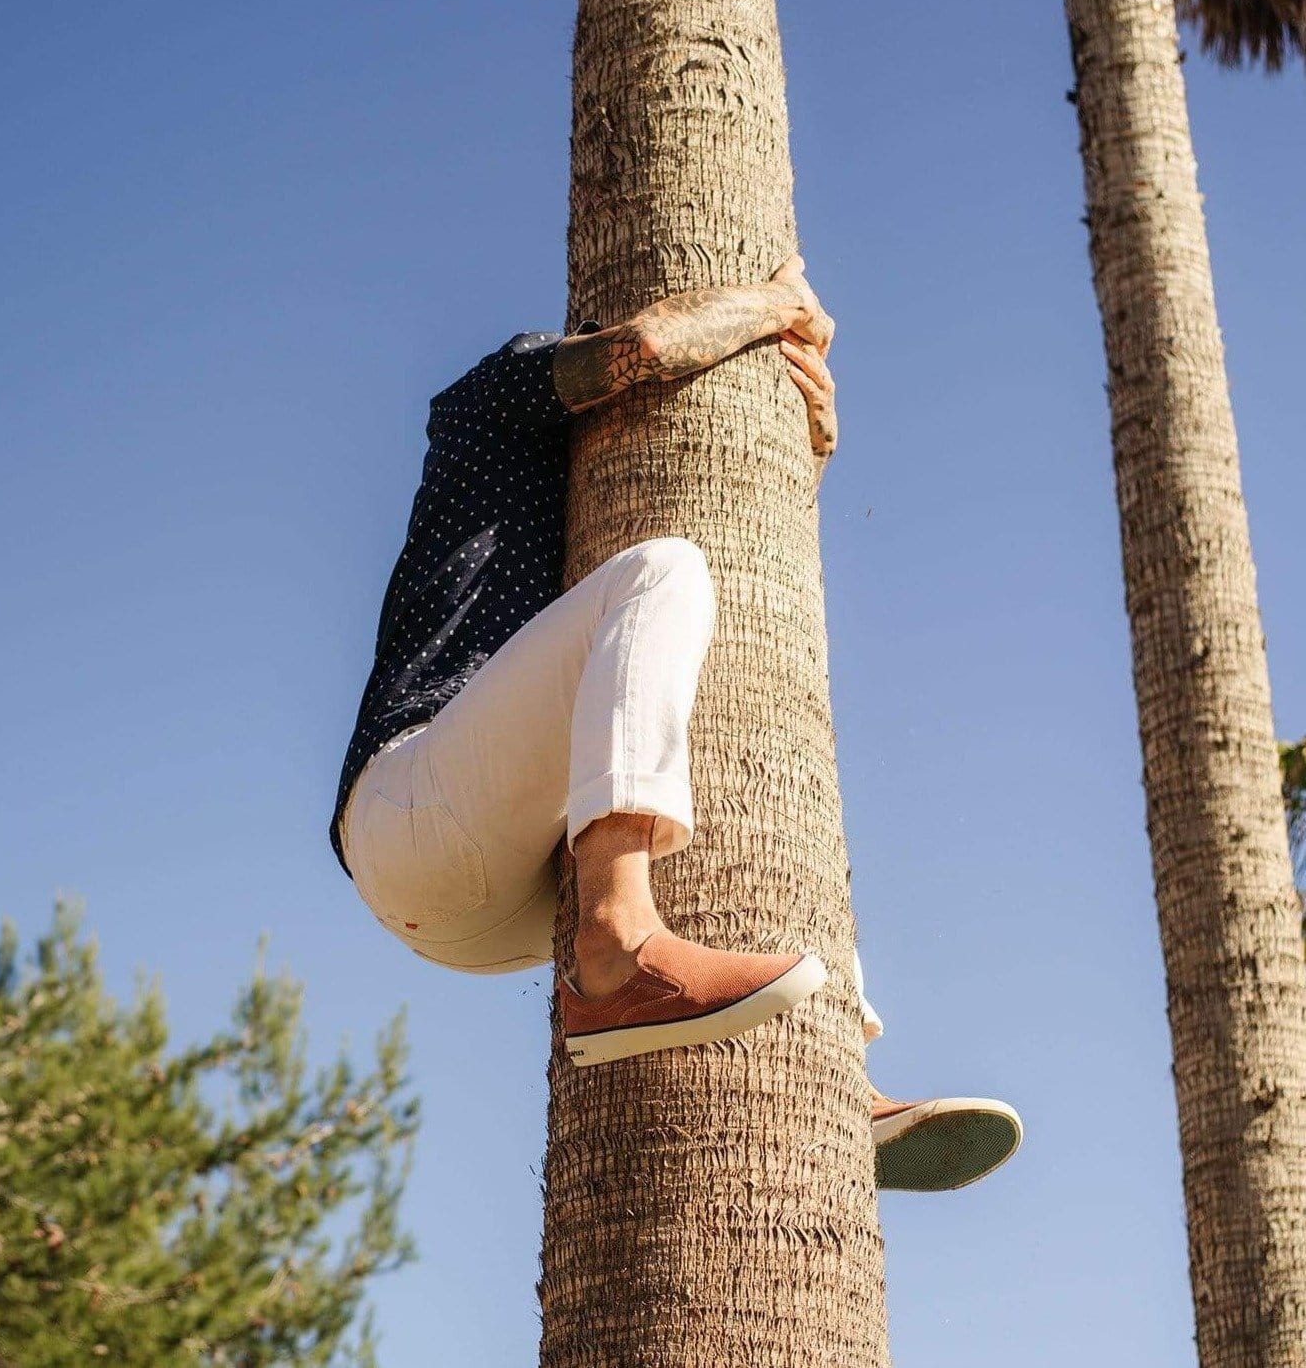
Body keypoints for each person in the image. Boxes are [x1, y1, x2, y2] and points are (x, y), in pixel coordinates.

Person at [330, 256, 1022, 1190]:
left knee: (729, 741)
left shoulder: (582, 564)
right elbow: (642, 348)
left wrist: (795, 444)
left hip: (503, 901)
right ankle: (617, 943)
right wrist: (780, 305)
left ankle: (833, 1070)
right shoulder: (491, 396)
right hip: (411, 808)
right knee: (663, 570)